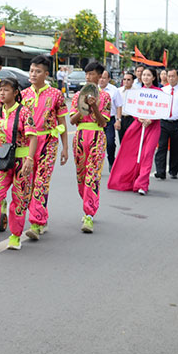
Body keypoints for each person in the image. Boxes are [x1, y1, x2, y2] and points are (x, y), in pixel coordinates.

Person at [0, 75, 33, 250]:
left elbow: (33, 138)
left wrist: (29, 160)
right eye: (0, 90)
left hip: (21, 160)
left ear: (15, 92)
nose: (2, 93)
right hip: (2, 160)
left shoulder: (24, 112)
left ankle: (15, 236)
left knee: (19, 198)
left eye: (6, 90)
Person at [19, 56, 69, 240]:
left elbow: (62, 121)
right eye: (31, 70)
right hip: (27, 144)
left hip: (49, 141)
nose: (33, 74)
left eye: (37, 71)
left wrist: (65, 148)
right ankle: (42, 216)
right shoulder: (23, 95)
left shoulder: (56, 94)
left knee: (42, 181)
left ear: (46, 74)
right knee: (28, 182)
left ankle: (35, 223)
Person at [108, 66, 163, 196]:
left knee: (147, 154)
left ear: (154, 77)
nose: (145, 77)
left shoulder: (159, 92)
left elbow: (164, 110)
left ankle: (142, 184)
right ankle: (129, 180)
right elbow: (131, 109)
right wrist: (139, 118)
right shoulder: (137, 92)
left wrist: (152, 119)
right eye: (144, 75)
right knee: (132, 153)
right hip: (138, 126)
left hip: (153, 127)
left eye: (149, 75)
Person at [71, 61, 111, 233]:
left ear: (100, 75)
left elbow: (103, 122)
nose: (88, 77)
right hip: (80, 137)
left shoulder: (105, 97)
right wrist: (84, 106)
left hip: (97, 136)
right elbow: (73, 121)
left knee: (92, 175)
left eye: (92, 73)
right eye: (86, 74)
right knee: (81, 176)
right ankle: (87, 202)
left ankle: (89, 214)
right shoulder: (77, 96)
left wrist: (94, 106)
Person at [153, 69, 178, 181]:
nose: (171, 78)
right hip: (164, 122)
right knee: (162, 147)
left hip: (177, 123)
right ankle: (160, 171)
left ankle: (173, 170)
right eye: (169, 76)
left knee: (176, 148)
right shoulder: (163, 90)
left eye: (173, 76)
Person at [100, 68, 124, 167]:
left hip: (109, 120)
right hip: (96, 121)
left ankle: (111, 161)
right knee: (98, 144)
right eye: (100, 77)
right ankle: (97, 164)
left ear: (109, 79)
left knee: (110, 142)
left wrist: (118, 120)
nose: (102, 80)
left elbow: (119, 105)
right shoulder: (93, 88)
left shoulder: (114, 90)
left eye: (104, 78)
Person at [116, 70, 138, 143]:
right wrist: (118, 120)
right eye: (124, 79)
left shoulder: (137, 92)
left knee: (131, 141)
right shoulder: (118, 91)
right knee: (122, 141)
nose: (126, 81)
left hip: (132, 119)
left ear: (132, 81)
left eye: (128, 80)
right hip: (121, 118)